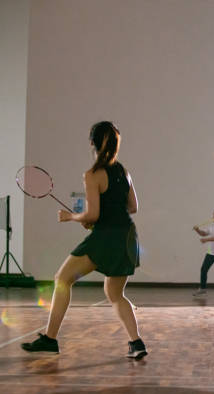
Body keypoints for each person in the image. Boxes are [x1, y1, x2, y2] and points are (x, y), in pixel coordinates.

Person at [21, 121, 147, 360]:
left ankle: (49, 339)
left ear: (92, 143)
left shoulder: (93, 175)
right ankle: (136, 342)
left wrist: (71, 217)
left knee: (62, 279)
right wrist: (96, 218)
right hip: (127, 237)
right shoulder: (124, 172)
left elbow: (93, 215)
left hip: (105, 238)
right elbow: (133, 206)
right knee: (115, 294)